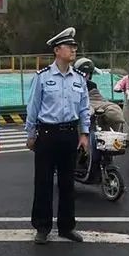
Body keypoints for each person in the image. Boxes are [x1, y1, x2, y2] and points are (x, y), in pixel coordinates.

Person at [25, 27, 90, 244]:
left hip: (70, 133)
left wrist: (84, 133)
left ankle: (66, 226)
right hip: (47, 133)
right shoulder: (42, 77)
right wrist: (31, 134)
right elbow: (33, 107)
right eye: (69, 46)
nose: (73, 50)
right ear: (56, 50)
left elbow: (83, 108)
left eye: (74, 46)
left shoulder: (79, 78)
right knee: (43, 182)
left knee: (67, 182)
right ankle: (42, 227)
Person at [73, 57, 125, 131]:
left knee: (114, 109)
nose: (85, 76)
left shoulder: (92, 84)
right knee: (86, 112)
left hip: (96, 101)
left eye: (87, 74)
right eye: (83, 74)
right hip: (83, 105)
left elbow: (97, 98)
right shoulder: (72, 84)